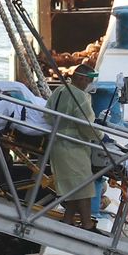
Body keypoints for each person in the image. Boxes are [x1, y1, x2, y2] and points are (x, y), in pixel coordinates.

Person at [44, 63, 104, 232]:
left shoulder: (60, 91)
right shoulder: (79, 95)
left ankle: (68, 220)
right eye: (89, 81)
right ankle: (87, 225)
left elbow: (47, 114)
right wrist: (100, 136)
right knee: (84, 186)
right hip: (72, 146)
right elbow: (86, 125)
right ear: (82, 78)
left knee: (73, 187)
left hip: (58, 144)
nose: (90, 85)